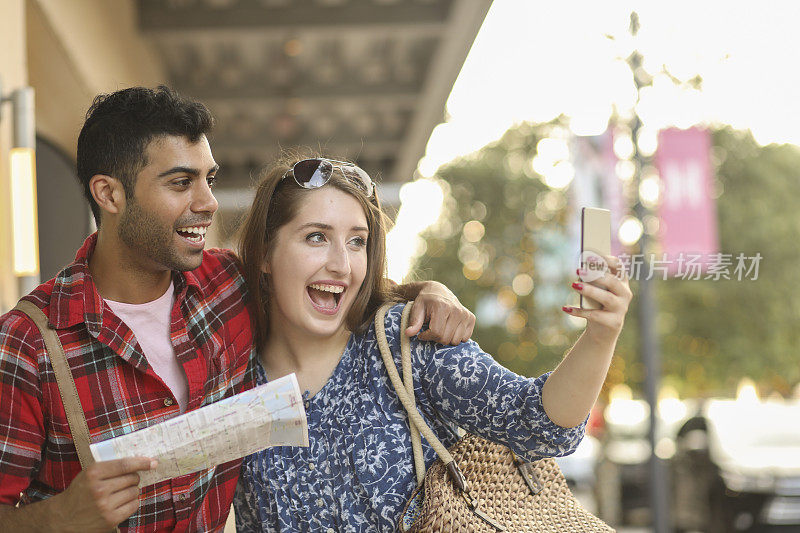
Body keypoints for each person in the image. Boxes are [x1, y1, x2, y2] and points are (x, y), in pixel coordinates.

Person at [0, 86, 474, 532]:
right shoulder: (27, 344)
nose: (207, 202)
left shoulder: (227, 284)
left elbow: (337, 281)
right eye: (181, 182)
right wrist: (59, 517)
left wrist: (428, 290)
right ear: (109, 194)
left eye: (209, 179)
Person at [232, 156, 633, 532]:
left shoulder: (403, 339)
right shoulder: (228, 374)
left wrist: (600, 337)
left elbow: (540, 423)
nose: (342, 264)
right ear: (265, 252)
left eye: (357, 242)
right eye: (316, 237)